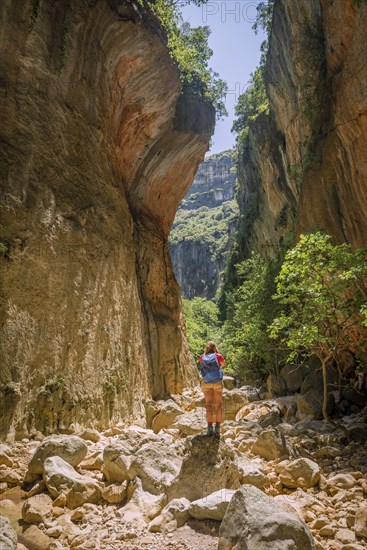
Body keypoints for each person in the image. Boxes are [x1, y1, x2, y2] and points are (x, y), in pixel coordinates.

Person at [199, 340, 225, 438]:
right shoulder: (218, 355)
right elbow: (223, 364)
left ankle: (209, 429)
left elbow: (202, 366)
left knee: (208, 404)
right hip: (217, 382)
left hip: (206, 382)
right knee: (218, 405)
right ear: (215, 347)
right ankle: (217, 429)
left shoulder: (202, 357)